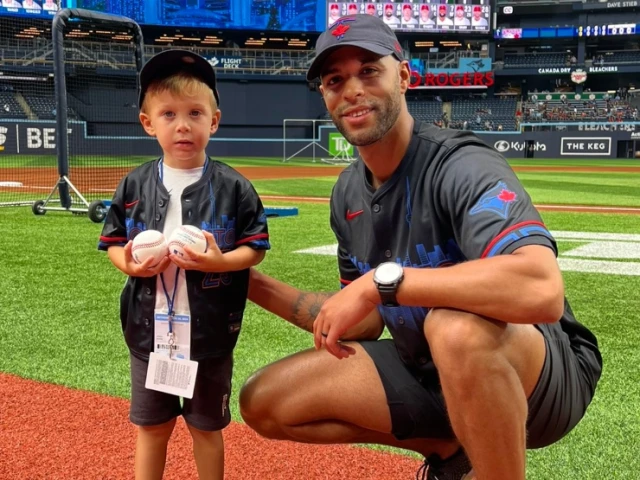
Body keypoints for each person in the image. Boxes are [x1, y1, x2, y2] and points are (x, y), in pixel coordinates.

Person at [238, 14, 602, 480]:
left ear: (405, 76)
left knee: (455, 329)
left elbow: (541, 289)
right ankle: (451, 451)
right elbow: (364, 322)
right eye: (334, 80)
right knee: (266, 401)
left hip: (544, 372)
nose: (351, 89)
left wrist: (382, 282)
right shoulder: (347, 194)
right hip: (429, 370)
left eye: (369, 70)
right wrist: (246, 280)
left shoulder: (460, 164)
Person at [98, 49, 270, 480]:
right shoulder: (135, 183)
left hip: (210, 334)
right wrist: (131, 267)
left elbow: (256, 246)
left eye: (195, 113)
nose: (182, 125)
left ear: (213, 121)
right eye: (169, 114)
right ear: (147, 122)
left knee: (206, 429)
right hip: (149, 334)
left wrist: (221, 260)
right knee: (152, 428)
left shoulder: (234, 186)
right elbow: (114, 242)